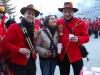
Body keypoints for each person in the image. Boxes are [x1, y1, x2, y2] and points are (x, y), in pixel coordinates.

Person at [2, 4, 40, 75]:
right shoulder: (14, 27)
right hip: (18, 63)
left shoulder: (35, 28)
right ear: (24, 14)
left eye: (33, 14)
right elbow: (5, 42)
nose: (31, 16)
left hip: (32, 61)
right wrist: (19, 49)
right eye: (28, 13)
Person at [57, 2, 89, 75]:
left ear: (73, 12)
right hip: (63, 55)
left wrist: (78, 39)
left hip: (76, 55)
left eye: (69, 11)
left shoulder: (80, 22)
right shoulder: (59, 22)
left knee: (78, 73)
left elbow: (87, 37)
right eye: (65, 11)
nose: (67, 14)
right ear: (62, 12)